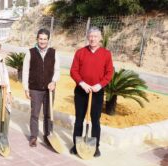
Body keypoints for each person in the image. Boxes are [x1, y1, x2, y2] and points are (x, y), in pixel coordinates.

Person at [70, 26, 114, 157]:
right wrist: (82, 83)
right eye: (91, 36)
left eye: (95, 36)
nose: (93, 39)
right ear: (88, 37)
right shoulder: (80, 52)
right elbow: (73, 70)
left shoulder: (106, 54)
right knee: (79, 120)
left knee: (95, 121)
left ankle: (95, 146)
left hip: (97, 93)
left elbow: (110, 72)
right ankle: (76, 145)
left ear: (100, 38)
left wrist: (100, 85)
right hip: (81, 91)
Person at [22, 28, 60, 147]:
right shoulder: (30, 52)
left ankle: (48, 136)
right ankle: (33, 137)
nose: (42, 41)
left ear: (48, 40)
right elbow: (25, 71)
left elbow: (57, 70)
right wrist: (26, 88)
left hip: (49, 89)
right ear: (37, 39)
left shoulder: (54, 52)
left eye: (45, 39)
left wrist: (54, 82)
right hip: (35, 89)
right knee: (35, 114)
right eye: (40, 39)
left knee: (48, 114)